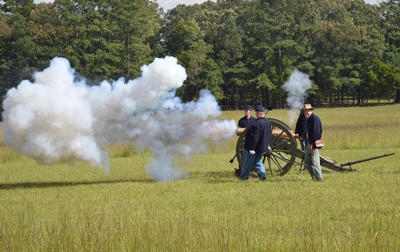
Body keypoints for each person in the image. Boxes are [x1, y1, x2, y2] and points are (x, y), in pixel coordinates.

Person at [239, 106, 272, 181]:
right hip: (262, 148)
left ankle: (243, 178)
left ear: (260, 113)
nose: (256, 114)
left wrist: (251, 148)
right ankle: (263, 177)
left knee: (246, 164)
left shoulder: (256, 124)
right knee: (258, 162)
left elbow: (254, 138)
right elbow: (269, 136)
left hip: (253, 148)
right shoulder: (268, 122)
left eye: (257, 113)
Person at [302, 103, 323, 181]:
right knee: (308, 161)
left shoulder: (315, 119)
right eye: (305, 112)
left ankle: (319, 177)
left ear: (311, 111)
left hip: (313, 143)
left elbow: (316, 132)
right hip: (308, 141)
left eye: (307, 111)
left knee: (314, 161)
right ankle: (313, 176)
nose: (306, 113)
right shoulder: (309, 119)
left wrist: (311, 143)